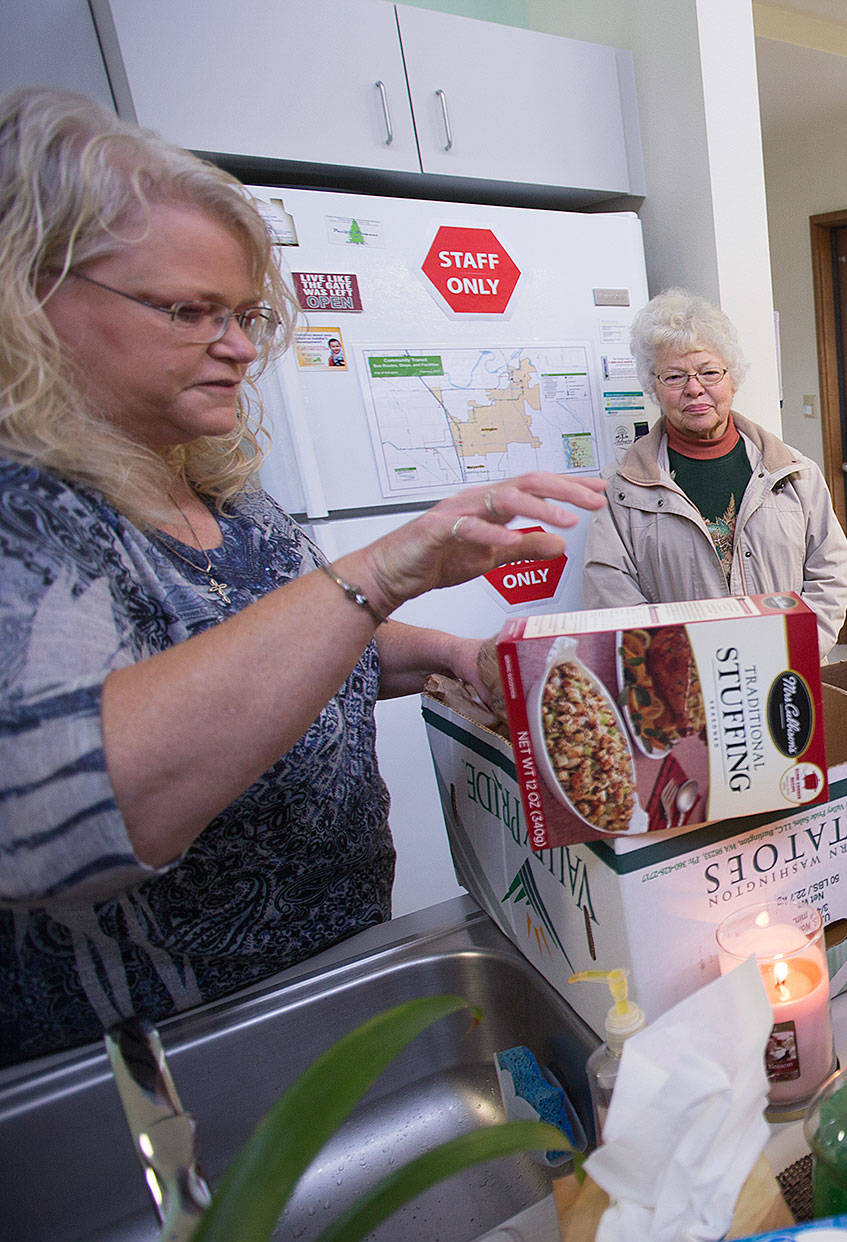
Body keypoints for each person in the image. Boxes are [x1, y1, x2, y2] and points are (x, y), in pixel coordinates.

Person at [0, 89, 607, 1068]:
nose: (240, 346)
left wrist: (450, 652)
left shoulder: (208, 480)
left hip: (324, 978)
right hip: (159, 1066)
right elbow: (79, 804)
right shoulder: (25, 514)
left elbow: (297, 645)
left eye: (243, 313)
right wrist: (372, 575)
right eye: (190, 311)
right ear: (32, 295)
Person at [581, 289, 847, 652]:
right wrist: (683, 667)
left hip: (788, 675)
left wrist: (796, 648)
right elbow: (609, 593)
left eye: (709, 372)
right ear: (654, 388)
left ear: (732, 380)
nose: (695, 389)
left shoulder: (794, 473)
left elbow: (829, 574)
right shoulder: (621, 487)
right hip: (683, 686)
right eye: (674, 377)